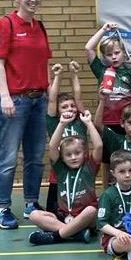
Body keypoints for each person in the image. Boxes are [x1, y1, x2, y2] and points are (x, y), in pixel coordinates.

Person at [0, 0, 52, 229]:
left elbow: (44, 63)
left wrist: (49, 93)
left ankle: (31, 204)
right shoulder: (6, 24)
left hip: (39, 100)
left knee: (35, 156)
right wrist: (5, 96)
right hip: (14, 100)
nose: (33, 0)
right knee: (7, 157)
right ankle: (3, 208)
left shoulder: (40, 26)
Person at [28, 110, 102, 245]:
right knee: (34, 215)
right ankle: (76, 233)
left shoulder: (89, 168)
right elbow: (52, 146)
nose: (73, 157)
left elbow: (99, 146)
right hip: (64, 216)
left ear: (84, 153)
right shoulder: (60, 169)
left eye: (77, 153)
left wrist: (88, 123)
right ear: (62, 157)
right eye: (68, 155)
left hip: (85, 218)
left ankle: (56, 236)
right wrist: (61, 124)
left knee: (91, 211)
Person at [84, 22, 131, 128]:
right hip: (107, 121)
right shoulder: (101, 70)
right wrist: (104, 30)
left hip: (129, 121)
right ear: (104, 57)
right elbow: (88, 48)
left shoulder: (129, 72)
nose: (114, 57)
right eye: (109, 55)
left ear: (123, 53)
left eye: (117, 53)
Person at [45, 61, 87, 214]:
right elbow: (52, 99)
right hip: (59, 175)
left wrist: (74, 75)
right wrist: (58, 76)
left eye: (72, 106)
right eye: (64, 107)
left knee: (81, 211)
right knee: (53, 213)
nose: (70, 109)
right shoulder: (54, 123)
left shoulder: (81, 121)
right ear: (57, 111)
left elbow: (78, 97)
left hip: (81, 175)